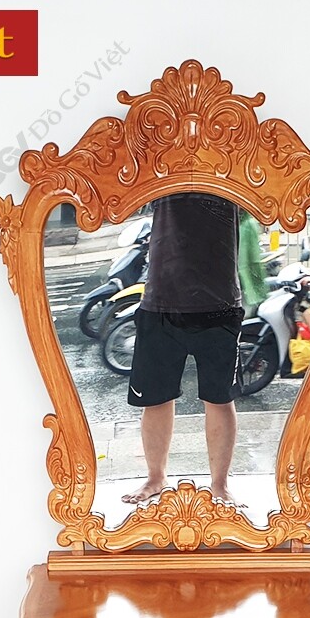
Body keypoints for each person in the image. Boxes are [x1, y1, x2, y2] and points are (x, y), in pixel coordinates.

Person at [121, 192, 246, 507]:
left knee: (220, 398)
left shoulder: (228, 168)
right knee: (155, 398)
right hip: (161, 299)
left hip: (219, 302)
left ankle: (220, 485)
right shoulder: (162, 167)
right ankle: (155, 478)